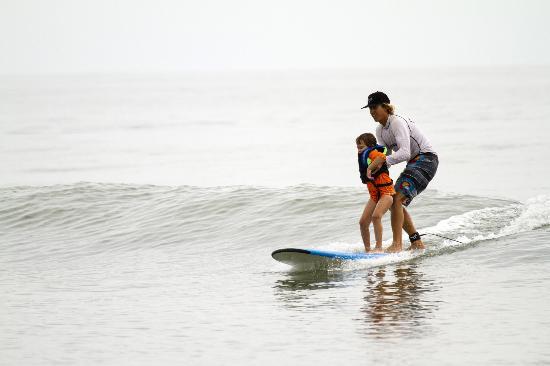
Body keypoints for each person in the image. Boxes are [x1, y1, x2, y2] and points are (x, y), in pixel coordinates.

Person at [361, 91, 439, 252]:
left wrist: (382, 162)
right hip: (414, 162)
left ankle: (397, 244)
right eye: (369, 108)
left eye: (374, 107)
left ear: (386, 107)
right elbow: (387, 156)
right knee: (391, 198)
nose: (372, 112)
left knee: (396, 199)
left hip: (427, 159)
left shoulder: (397, 122)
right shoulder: (380, 130)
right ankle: (416, 242)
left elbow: (404, 153)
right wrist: (377, 175)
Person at [357, 133, 395, 253]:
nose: (359, 150)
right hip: (375, 194)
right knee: (363, 222)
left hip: (386, 193)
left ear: (369, 146)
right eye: (357, 147)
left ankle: (378, 248)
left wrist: (369, 169)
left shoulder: (371, 152)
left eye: (361, 147)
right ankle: (368, 250)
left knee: (376, 216)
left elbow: (382, 157)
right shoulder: (365, 155)